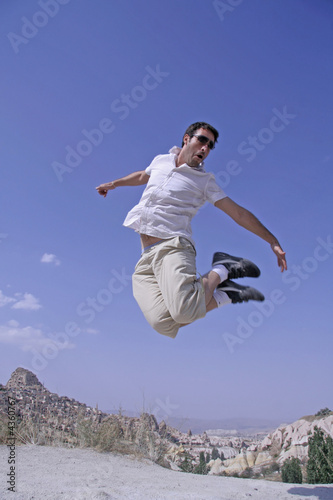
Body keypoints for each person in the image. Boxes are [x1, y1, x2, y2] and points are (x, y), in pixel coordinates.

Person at [96, 122, 287, 338]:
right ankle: (227, 295)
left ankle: (223, 268)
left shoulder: (204, 182)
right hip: (146, 256)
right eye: (202, 140)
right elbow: (143, 175)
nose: (205, 148)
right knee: (163, 324)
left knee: (184, 311)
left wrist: (271, 240)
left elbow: (238, 214)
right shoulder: (161, 161)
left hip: (173, 248)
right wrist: (114, 184)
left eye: (210, 146)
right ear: (187, 139)